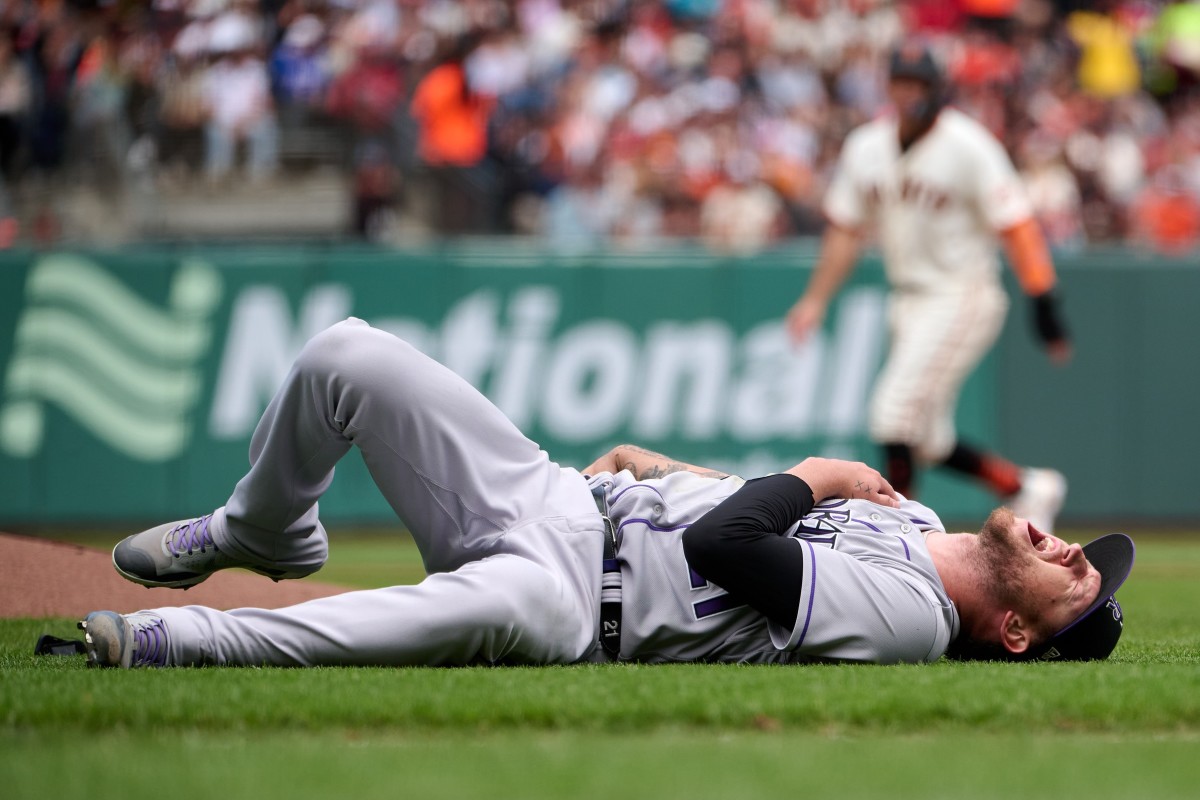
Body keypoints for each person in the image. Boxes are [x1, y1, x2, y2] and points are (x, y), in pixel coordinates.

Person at [78, 318, 1133, 670]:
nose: (1081, 554)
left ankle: (192, 637)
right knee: (348, 356)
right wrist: (660, 464)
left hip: (577, 603)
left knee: (464, 612)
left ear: (1012, 631)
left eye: (1075, 587)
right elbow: (727, 507)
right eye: (1089, 554)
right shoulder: (909, 520)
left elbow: (731, 547)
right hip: (561, 500)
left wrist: (821, 469)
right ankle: (262, 524)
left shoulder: (911, 615)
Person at [786, 41, 1074, 532]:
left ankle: (904, 534)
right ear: (888, 86)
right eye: (901, 82)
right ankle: (1024, 487)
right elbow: (844, 232)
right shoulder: (866, 147)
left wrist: (1044, 299)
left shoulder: (968, 145)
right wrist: (813, 301)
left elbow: (1018, 225)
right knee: (927, 440)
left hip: (961, 293)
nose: (909, 93)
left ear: (937, 89)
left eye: (918, 84)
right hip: (908, 299)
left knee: (891, 412)